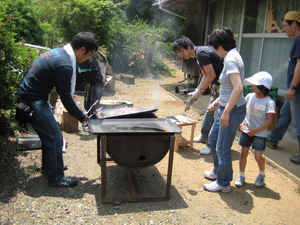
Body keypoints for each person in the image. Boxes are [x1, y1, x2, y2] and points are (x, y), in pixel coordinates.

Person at [17, 32, 98, 187]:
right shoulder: (65, 65)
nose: (89, 59)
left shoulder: (60, 53)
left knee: (50, 135)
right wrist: (81, 116)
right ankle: (56, 178)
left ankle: (50, 167)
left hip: (32, 95)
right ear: (82, 49)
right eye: (90, 54)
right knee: (55, 138)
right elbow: (65, 97)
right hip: (33, 100)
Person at [203, 27, 246, 193]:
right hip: (226, 106)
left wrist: (226, 111)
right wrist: (219, 101)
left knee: (222, 148)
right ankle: (217, 171)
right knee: (213, 141)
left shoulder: (231, 60)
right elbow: (230, 88)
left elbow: (238, 88)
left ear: (220, 46)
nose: (214, 51)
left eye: (214, 47)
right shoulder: (233, 56)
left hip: (232, 110)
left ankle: (224, 182)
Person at [173, 36, 224, 155]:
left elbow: (211, 75)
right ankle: (204, 136)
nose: (181, 54)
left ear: (189, 46)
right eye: (178, 53)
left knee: (217, 116)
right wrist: (197, 91)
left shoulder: (201, 54)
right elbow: (205, 75)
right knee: (210, 112)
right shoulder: (198, 55)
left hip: (223, 87)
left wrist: (200, 91)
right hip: (216, 86)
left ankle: (212, 145)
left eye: (182, 51)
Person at [235, 72, 276, 188]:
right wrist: (241, 123)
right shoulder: (249, 97)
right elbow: (245, 112)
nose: (252, 86)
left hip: (260, 134)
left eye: (255, 84)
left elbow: (269, 121)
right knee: (243, 153)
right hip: (246, 131)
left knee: (258, 156)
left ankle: (261, 174)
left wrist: (255, 131)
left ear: (262, 87)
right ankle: (241, 175)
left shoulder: (269, 102)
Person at [282, 11, 300, 164]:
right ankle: (273, 138)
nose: (283, 29)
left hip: (296, 90)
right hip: (293, 90)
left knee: (298, 124)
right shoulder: (297, 40)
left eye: (285, 26)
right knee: (285, 113)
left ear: (294, 23)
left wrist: (293, 87)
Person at [78, 53, 104, 131]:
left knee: (92, 105)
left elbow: (80, 74)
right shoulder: (88, 57)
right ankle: (91, 122)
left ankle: (91, 124)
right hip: (92, 83)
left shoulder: (87, 59)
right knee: (88, 104)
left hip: (95, 84)